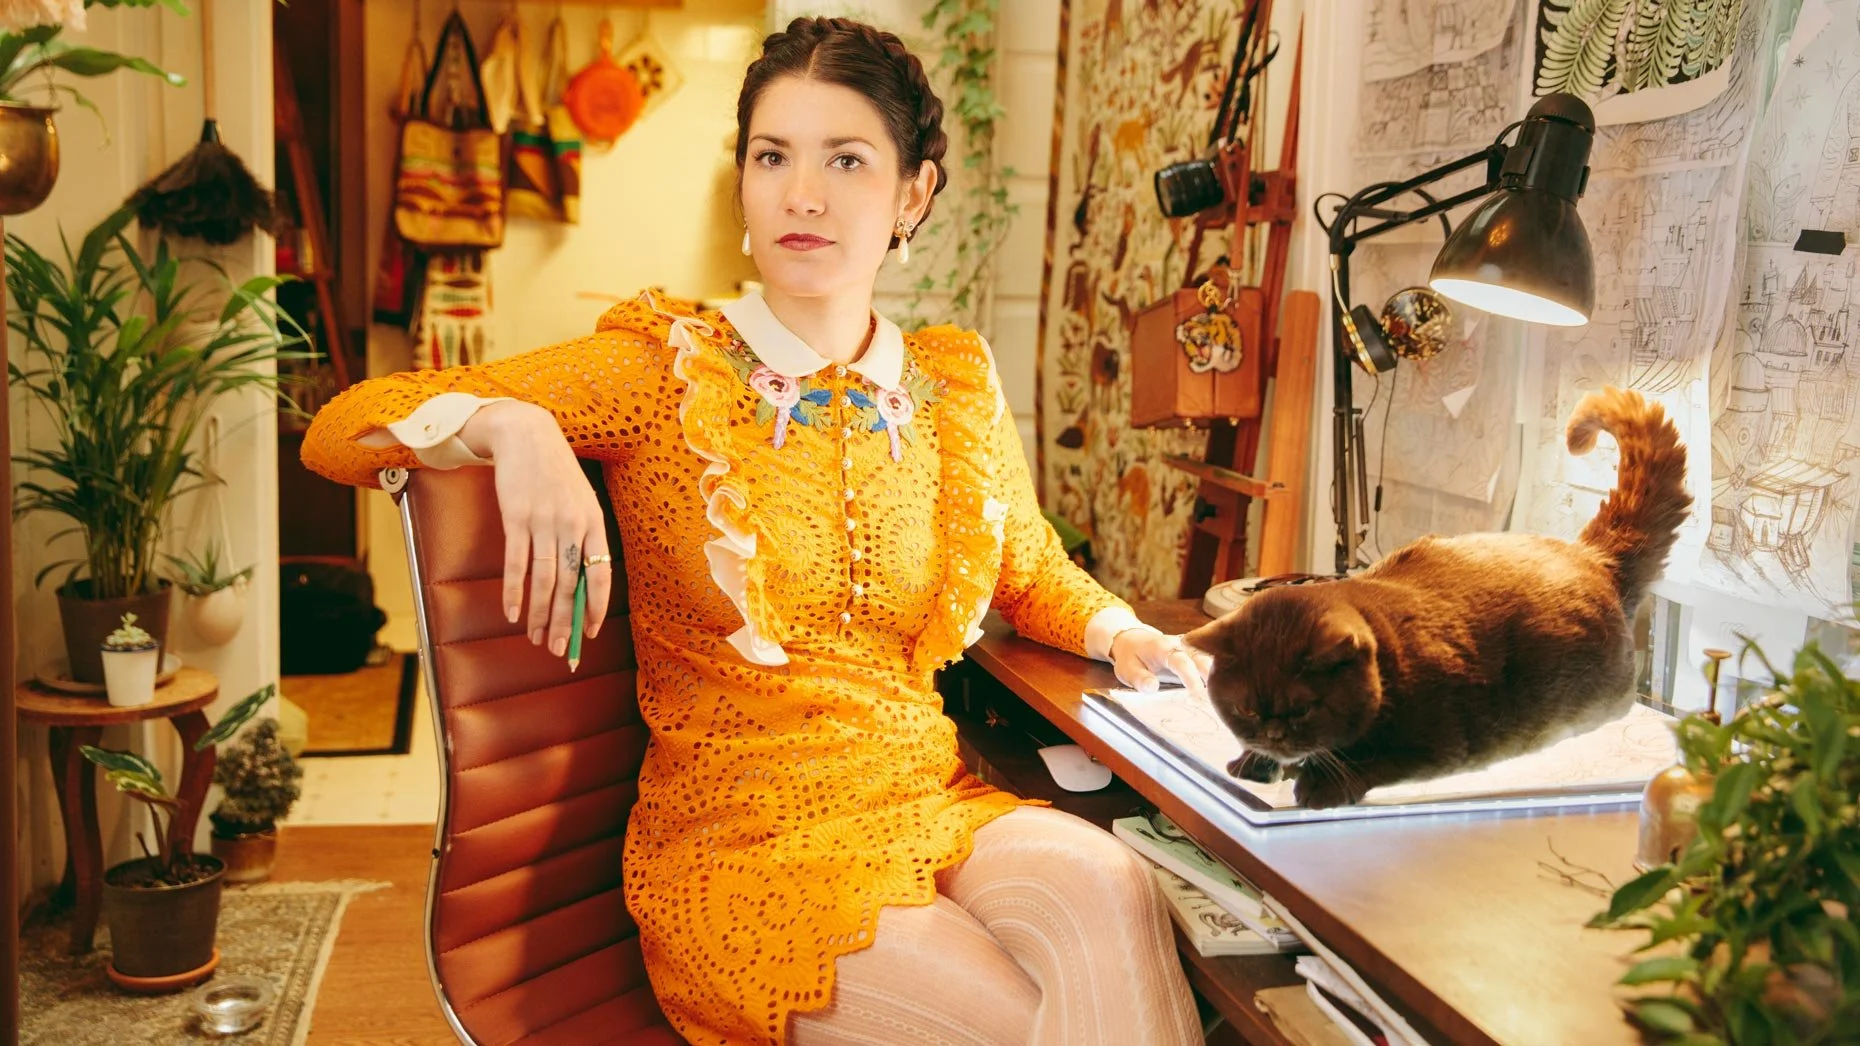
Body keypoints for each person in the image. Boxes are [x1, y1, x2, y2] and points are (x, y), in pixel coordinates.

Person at [302, 17, 1207, 1046]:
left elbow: (1029, 567)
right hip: (740, 848)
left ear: (913, 194)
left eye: (847, 160)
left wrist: (1125, 634)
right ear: (744, 183)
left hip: (923, 795)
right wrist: (511, 422)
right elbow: (339, 427)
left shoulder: (948, 383)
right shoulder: (661, 370)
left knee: (1112, 883)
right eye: (773, 156)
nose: (803, 194)